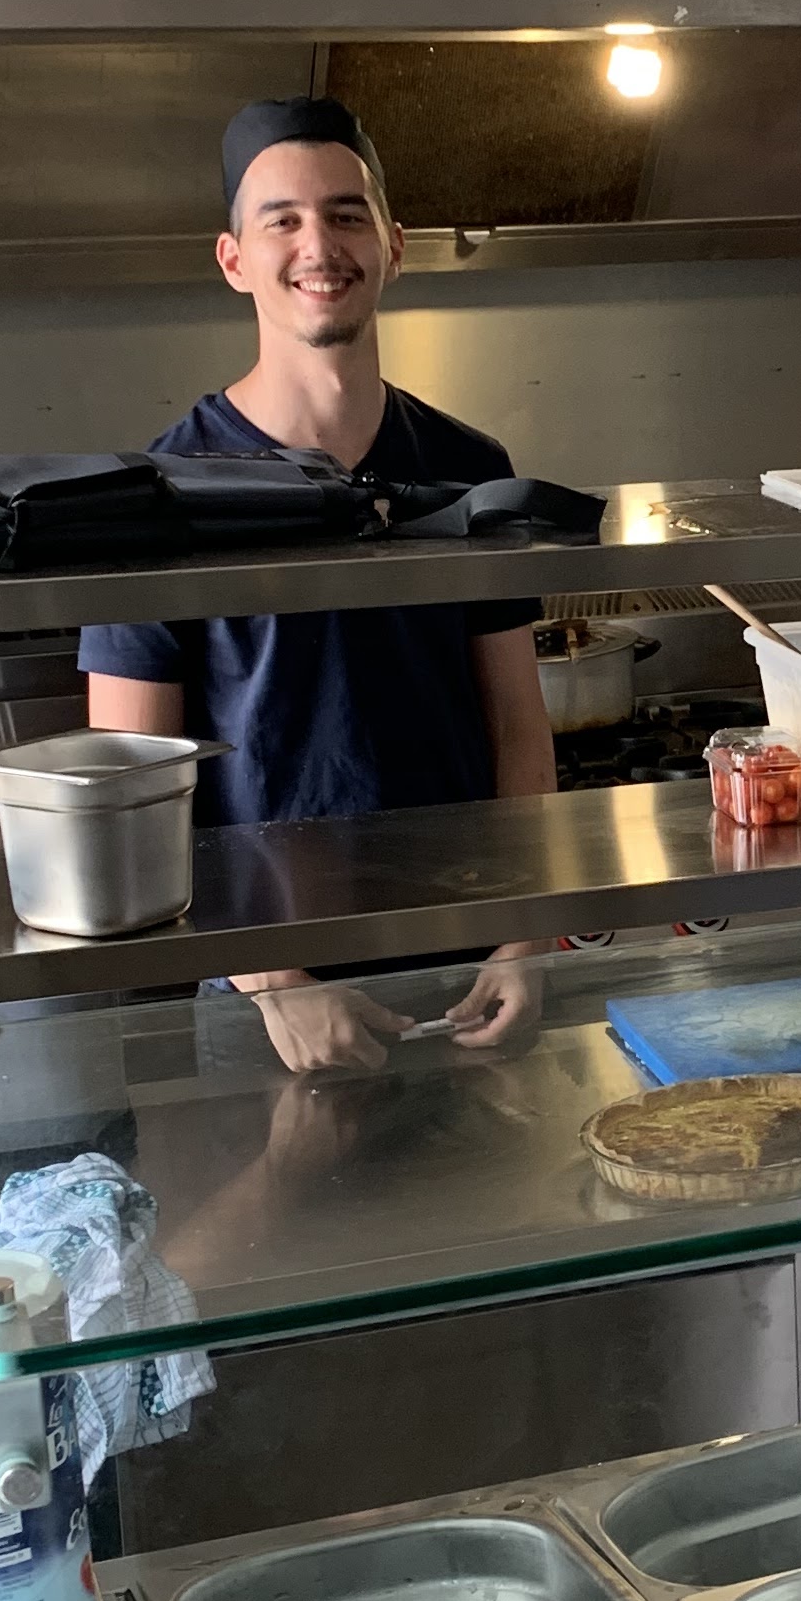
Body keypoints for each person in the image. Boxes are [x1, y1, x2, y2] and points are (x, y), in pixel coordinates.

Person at [78, 95, 559, 1074]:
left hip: (465, 977)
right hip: (263, 996)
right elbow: (129, 794)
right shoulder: (158, 499)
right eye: (283, 221)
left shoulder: (471, 470)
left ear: (393, 245)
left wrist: (526, 938)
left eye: (346, 214)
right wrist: (276, 984)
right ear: (233, 260)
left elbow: (516, 724)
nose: (319, 246)